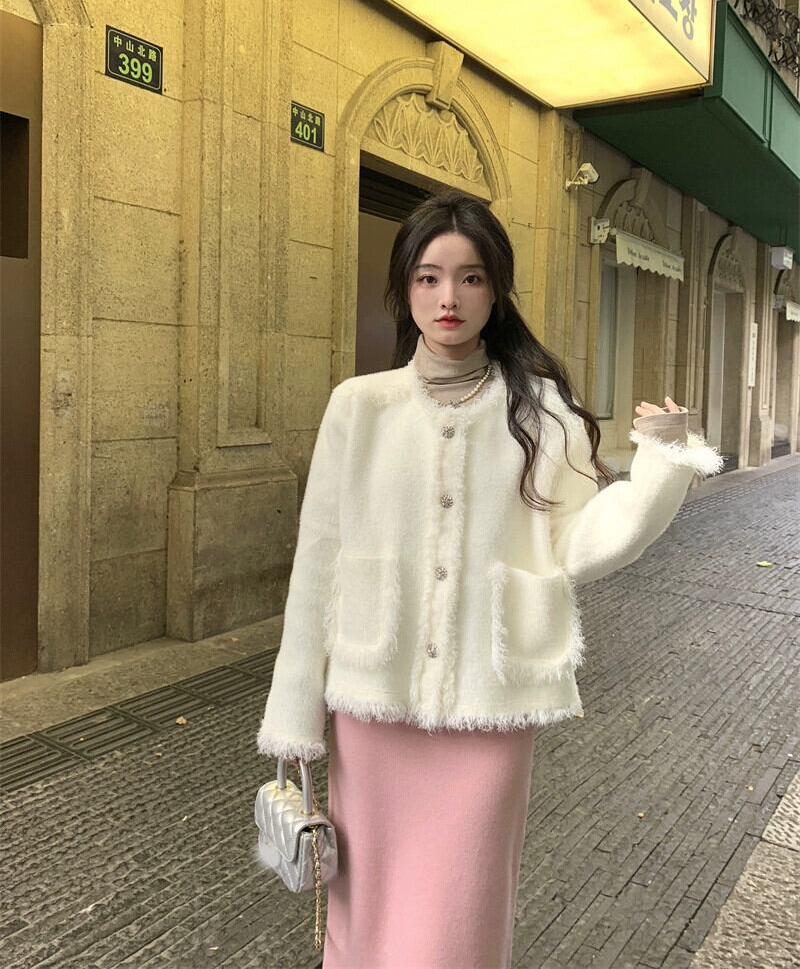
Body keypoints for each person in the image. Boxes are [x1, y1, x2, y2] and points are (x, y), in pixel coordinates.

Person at [256, 190, 724, 968]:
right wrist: (296, 716)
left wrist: (662, 459)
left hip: (491, 704)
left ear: (496, 289)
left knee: (461, 921)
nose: (449, 296)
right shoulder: (358, 408)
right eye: (429, 277)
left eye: (470, 277)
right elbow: (318, 565)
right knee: (366, 912)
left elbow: (582, 540)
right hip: (374, 702)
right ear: (404, 290)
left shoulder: (542, 413)